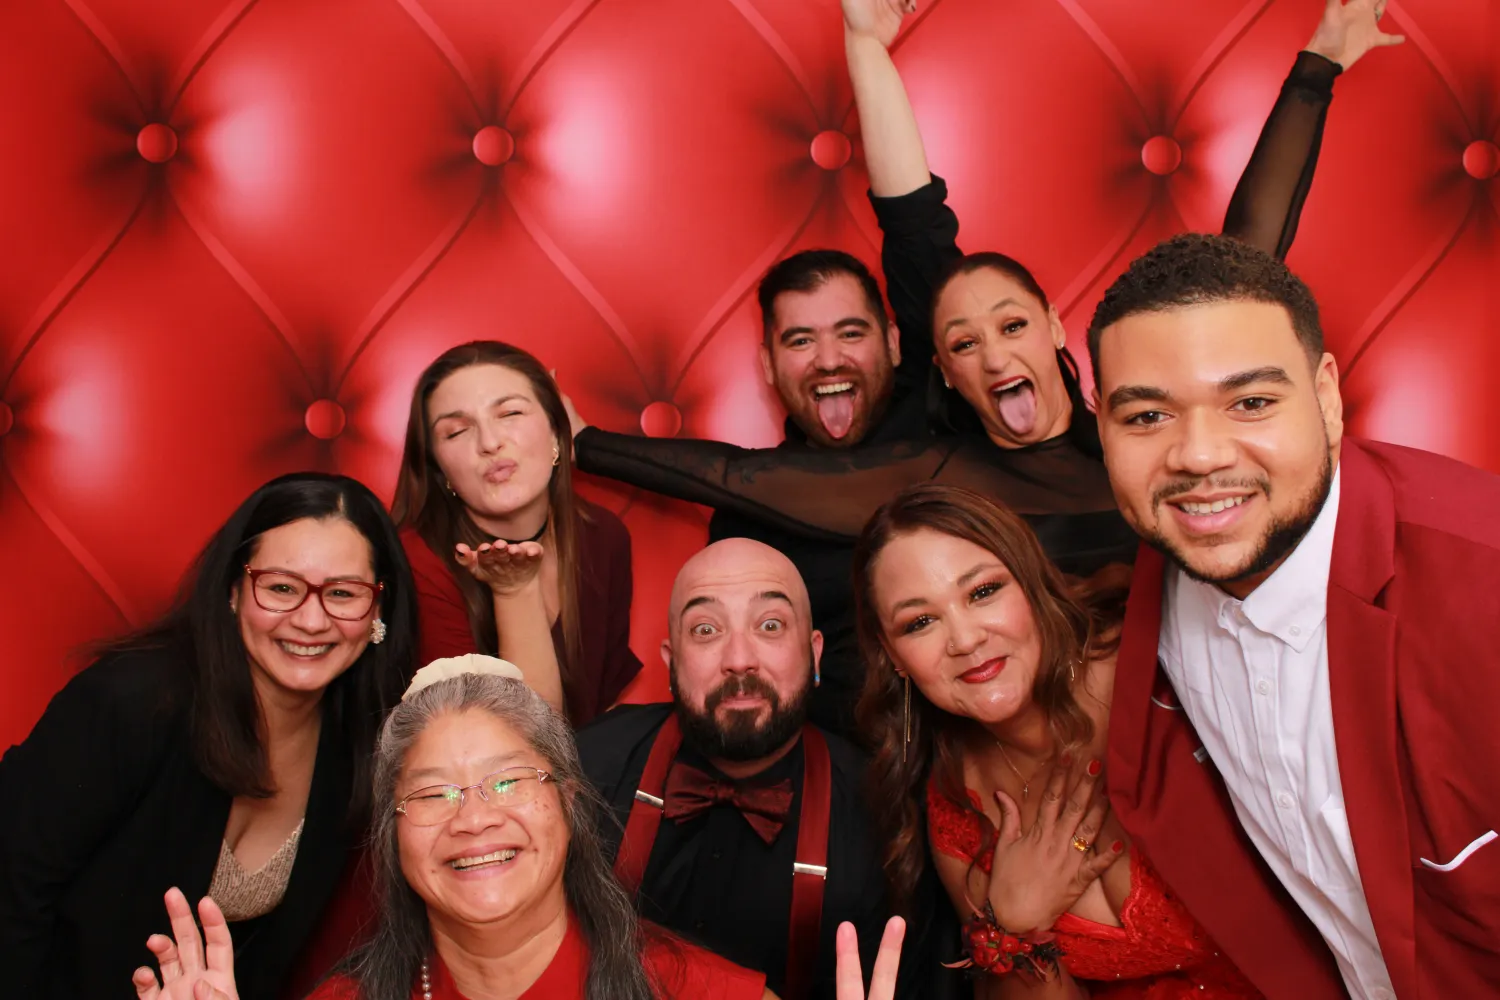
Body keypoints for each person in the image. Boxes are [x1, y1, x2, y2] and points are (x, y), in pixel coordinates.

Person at [568, 0, 1396, 738]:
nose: (994, 353)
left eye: (1010, 326)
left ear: (1054, 332)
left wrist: (1319, 65)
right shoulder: (944, 472)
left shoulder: (1147, 428)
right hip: (1038, 748)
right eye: (962, 345)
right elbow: (743, 475)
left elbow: (1240, 266)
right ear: (945, 373)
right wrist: (582, 443)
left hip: (1210, 721)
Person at [1089, 232, 1500, 998]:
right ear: (1101, 427)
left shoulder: (1483, 579)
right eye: (1147, 417)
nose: (1199, 456)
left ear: (1328, 396)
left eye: (1250, 402)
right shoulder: (1157, 599)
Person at [0, 472, 419, 1000]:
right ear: (233, 590)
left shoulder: (360, 743)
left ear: (378, 610)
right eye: (282, 587)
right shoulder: (127, 703)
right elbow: (11, 898)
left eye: (342, 593)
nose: (312, 620)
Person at [130, 657, 773, 1000]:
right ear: (392, 838)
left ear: (570, 804)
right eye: (433, 793)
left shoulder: (700, 992)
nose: (474, 819)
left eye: (507, 782)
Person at [852, 483, 1263, 997]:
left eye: (982, 592)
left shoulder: (1163, 677)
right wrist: (1012, 925)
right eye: (921, 622)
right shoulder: (954, 806)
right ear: (894, 658)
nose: (965, 640)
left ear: (1032, 583)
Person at [575, 538, 953, 1000]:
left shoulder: (884, 819)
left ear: (814, 655)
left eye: (770, 625)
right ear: (671, 664)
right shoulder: (589, 764)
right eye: (706, 630)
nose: (739, 660)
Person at [392, 340, 642, 727]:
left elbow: (601, 717)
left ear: (558, 435)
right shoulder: (414, 562)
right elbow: (511, 743)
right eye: (456, 432)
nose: (490, 443)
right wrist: (514, 590)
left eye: (509, 413)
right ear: (441, 473)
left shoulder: (604, 536)